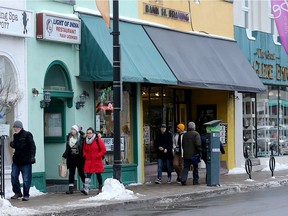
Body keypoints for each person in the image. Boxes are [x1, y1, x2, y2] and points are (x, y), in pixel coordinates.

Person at [10, 120, 36, 201]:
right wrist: (13, 144)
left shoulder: (27, 134)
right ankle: (17, 192)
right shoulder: (15, 136)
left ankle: (26, 194)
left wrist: (32, 156)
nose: (15, 129)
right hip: (16, 160)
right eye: (14, 127)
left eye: (17, 127)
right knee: (14, 176)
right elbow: (16, 145)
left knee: (26, 179)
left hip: (26, 161)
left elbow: (32, 146)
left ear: (21, 127)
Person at [82, 127, 106, 195]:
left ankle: (100, 187)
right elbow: (84, 150)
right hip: (89, 161)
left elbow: (103, 150)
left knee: (98, 174)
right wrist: (85, 155)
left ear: (93, 133)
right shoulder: (86, 141)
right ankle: (86, 189)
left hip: (96, 160)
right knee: (88, 175)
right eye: (87, 133)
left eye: (90, 133)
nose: (88, 134)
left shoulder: (98, 140)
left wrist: (97, 156)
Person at [62, 125, 86, 194]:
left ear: (77, 130)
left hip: (79, 157)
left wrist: (80, 131)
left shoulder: (81, 137)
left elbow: (84, 135)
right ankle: (71, 188)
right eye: (72, 129)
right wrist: (65, 155)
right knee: (71, 173)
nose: (72, 130)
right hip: (71, 157)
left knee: (81, 172)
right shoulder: (69, 137)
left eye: (74, 129)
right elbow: (67, 147)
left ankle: (86, 186)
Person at [181, 121, 202, 186]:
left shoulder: (185, 135)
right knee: (195, 168)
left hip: (186, 154)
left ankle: (183, 180)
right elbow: (198, 144)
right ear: (194, 127)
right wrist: (199, 152)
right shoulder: (196, 134)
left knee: (186, 168)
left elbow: (183, 144)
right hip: (194, 155)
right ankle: (195, 181)